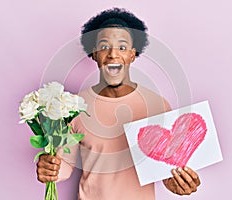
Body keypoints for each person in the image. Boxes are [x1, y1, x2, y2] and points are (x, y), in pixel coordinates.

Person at [36, 8, 200, 199]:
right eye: (104, 46)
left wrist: (176, 182)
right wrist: (50, 169)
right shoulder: (74, 106)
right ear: (94, 54)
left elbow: (165, 167)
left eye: (122, 47)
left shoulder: (157, 106)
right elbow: (65, 166)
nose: (113, 54)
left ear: (132, 54)